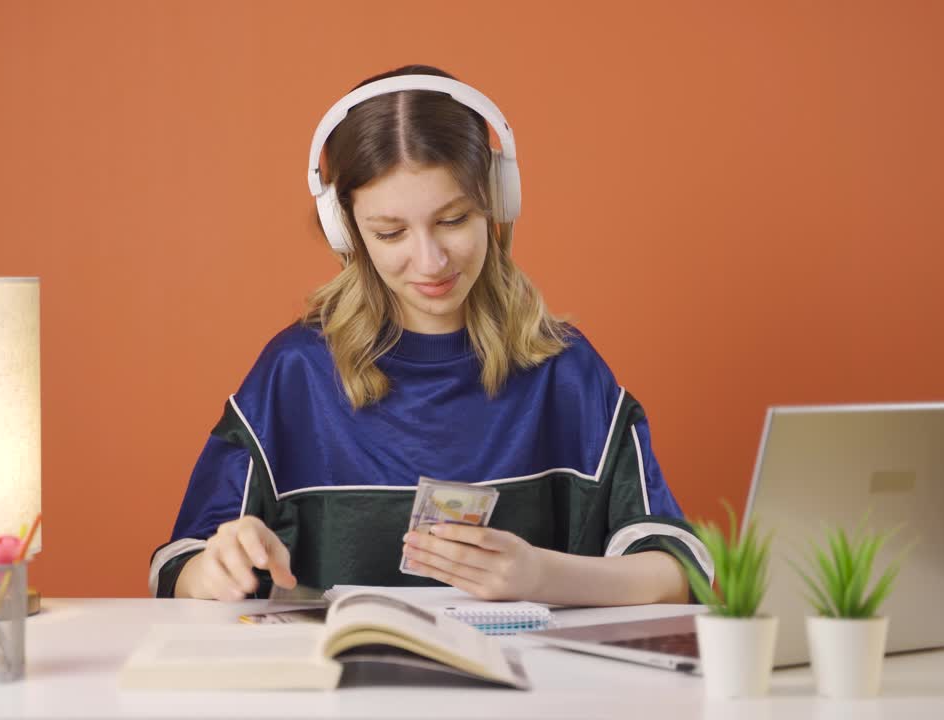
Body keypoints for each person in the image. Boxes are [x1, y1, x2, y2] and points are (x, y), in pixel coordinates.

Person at [149, 65, 712, 605]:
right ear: (346, 229)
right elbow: (177, 569)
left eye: (453, 220)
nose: (430, 260)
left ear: (496, 201)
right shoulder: (293, 373)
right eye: (390, 232)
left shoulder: (566, 372)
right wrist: (213, 569)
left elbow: (676, 570)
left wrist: (541, 574)